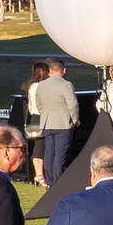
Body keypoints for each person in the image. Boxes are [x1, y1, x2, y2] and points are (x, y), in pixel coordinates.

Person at [34, 59, 79, 188]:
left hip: (48, 122)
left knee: (49, 152)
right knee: (60, 154)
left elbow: (39, 104)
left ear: (50, 71)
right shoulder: (66, 85)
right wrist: (74, 119)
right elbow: (73, 105)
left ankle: (49, 181)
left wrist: (45, 114)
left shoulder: (41, 85)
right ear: (64, 70)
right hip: (63, 123)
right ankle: (57, 182)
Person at [17, 60, 48, 183]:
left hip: (35, 116)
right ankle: (39, 174)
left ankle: (39, 173)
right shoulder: (39, 86)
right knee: (40, 146)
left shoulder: (32, 86)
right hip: (39, 116)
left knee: (39, 145)